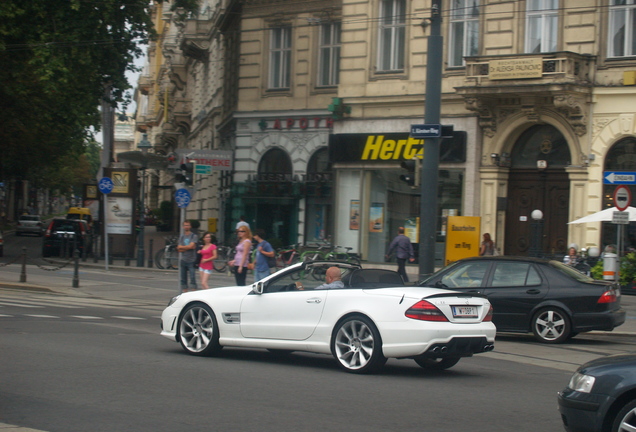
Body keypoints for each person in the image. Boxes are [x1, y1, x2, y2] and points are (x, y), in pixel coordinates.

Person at [177, 220, 199, 292]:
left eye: (188, 225)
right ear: (183, 227)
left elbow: (191, 246)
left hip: (191, 260)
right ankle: (184, 293)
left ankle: (193, 292)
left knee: (192, 278)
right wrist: (188, 247)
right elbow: (178, 248)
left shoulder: (193, 236)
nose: (186, 226)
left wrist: (183, 247)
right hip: (183, 260)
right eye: (185, 225)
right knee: (183, 279)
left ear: (190, 226)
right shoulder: (182, 236)